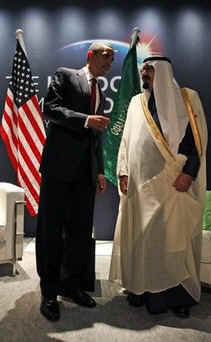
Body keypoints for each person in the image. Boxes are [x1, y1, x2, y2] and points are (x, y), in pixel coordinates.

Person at [109, 56, 207, 318]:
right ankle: (141, 289)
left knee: (174, 241)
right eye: (143, 69)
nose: (144, 73)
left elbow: (197, 140)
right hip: (141, 187)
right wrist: (123, 171)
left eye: (150, 69)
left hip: (174, 184)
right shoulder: (135, 102)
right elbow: (127, 140)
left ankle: (176, 296)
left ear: (163, 72)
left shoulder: (188, 98)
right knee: (143, 238)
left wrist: (189, 173)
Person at [36, 41, 114, 321]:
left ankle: (71, 286)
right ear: (90, 55)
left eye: (112, 58)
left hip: (85, 175)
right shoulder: (66, 75)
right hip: (58, 170)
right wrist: (85, 120)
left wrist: (100, 171)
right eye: (106, 56)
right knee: (51, 232)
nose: (110, 62)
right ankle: (49, 293)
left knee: (80, 233)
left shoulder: (100, 90)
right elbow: (51, 110)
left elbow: (96, 137)